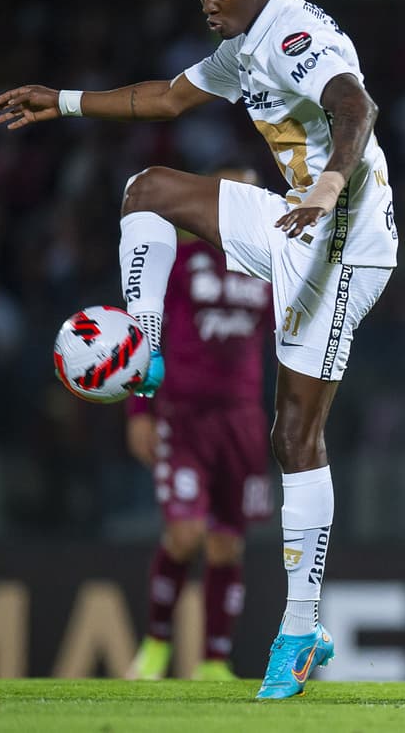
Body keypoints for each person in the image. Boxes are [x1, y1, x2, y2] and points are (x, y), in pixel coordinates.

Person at [0, 0, 397, 699]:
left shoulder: (294, 36)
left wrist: (331, 184)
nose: (208, 4)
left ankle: (301, 628)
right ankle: (145, 347)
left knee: (294, 433)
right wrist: (65, 101)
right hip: (291, 224)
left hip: (344, 242)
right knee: (146, 191)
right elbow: (167, 97)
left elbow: (357, 108)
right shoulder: (245, 44)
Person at [125, 168, 274, 682]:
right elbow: (149, 334)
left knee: (227, 543)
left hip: (242, 421)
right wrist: (140, 411)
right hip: (184, 417)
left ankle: (213, 662)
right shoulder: (182, 262)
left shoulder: (269, 268)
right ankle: (157, 645)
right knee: (185, 534)